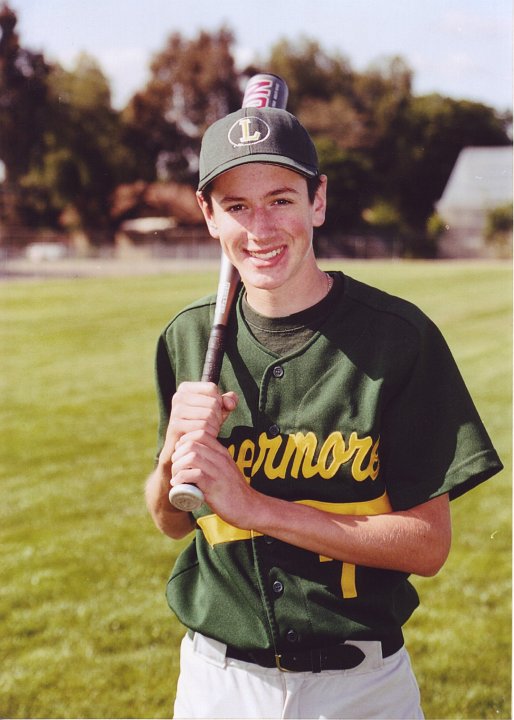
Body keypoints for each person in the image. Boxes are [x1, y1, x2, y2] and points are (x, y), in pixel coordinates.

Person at [145, 106, 503, 719]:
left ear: (318, 201)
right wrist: (172, 454)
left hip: (361, 688)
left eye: (281, 199)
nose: (260, 228)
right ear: (209, 216)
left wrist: (258, 509)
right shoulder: (188, 338)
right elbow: (172, 520)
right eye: (237, 206)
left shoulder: (399, 339)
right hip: (218, 683)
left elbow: (427, 546)